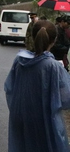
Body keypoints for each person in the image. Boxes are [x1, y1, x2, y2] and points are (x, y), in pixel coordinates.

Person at [4, 20, 70, 152]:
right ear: (54, 39)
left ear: (33, 37)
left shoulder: (20, 60)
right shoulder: (53, 66)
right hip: (44, 120)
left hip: (20, 116)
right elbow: (65, 99)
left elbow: (9, 87)